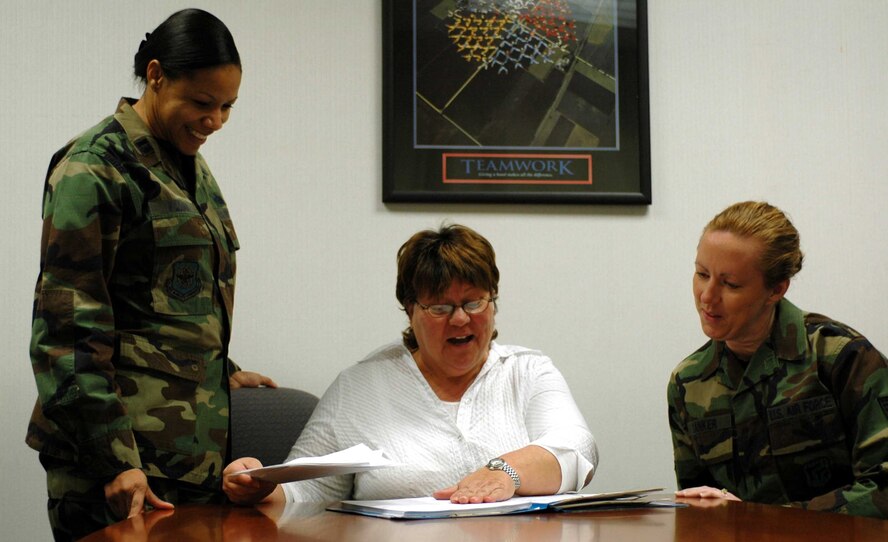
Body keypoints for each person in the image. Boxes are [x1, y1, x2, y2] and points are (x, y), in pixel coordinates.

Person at [27, 9, 276, 540]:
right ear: (157, 75)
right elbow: (66, 333)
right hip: (120, 470)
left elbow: (160, 299)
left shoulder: (183, 159)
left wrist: (217, 366)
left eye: (228, 106)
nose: (215, 121)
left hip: (188, 461)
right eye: (202, 103)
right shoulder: (94, 168)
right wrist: (114, 461)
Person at [224, 224, 597, 505]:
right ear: (410, 310)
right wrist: (257, 488)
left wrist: (505, 472)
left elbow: (577, 450)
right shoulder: (362, 385)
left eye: (474, 303)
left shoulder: (527, 371)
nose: (461, 320)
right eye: (440, 307)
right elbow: (309, 487)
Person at [667, 201, 888, 518]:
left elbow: (883, 488)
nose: (707, 296)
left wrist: (762, 520)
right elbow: (699, 507)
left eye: (730, 284)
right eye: (702, 274)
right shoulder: (687, 383)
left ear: (776, 289)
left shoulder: (840, 356)